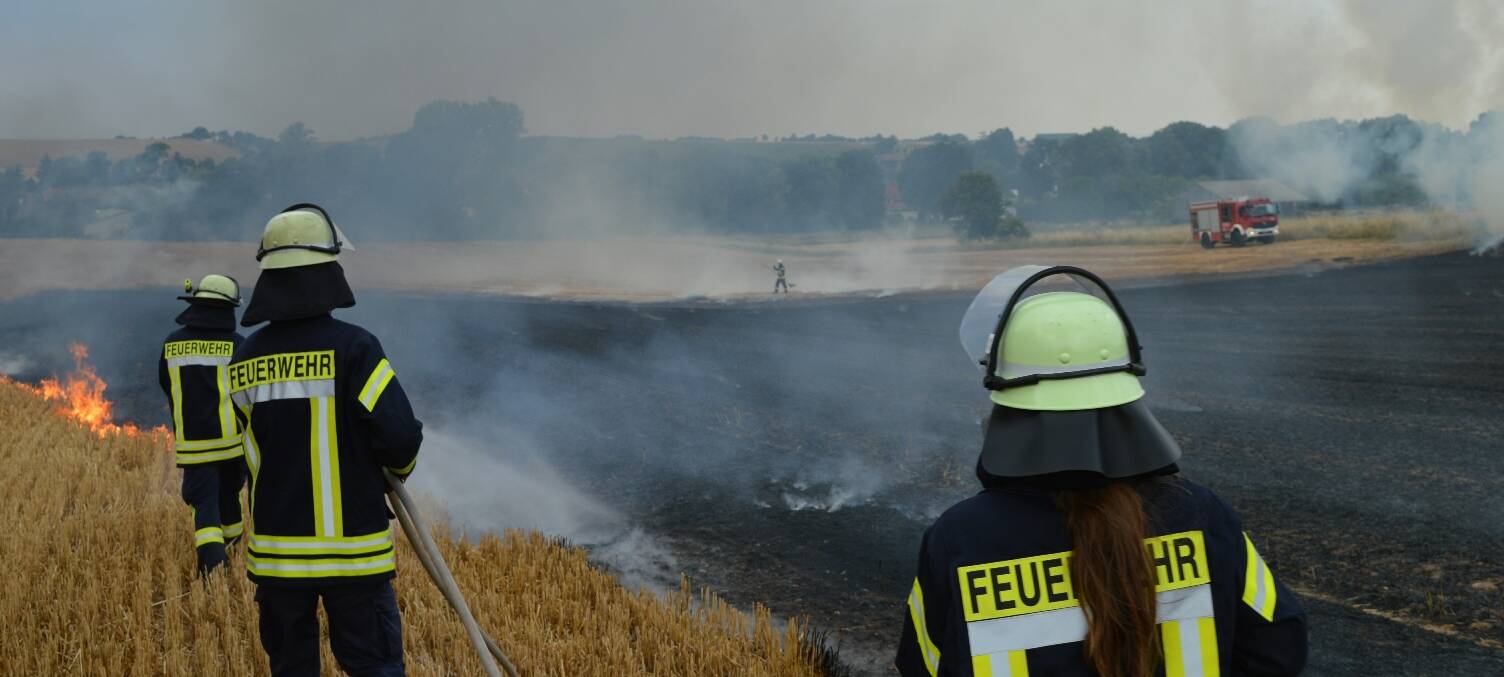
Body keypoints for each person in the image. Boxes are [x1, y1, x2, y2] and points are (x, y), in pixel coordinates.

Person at [896, 265, 1306, 677]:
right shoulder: (1201, 515)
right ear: (1126, 392)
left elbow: (922, 667)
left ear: (1007, 400)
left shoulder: (961, 538)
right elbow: (1278, 649)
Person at [229, 203, 423, 677]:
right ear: (327, 271)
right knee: (375, 668)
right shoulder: (356, 348)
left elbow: (245, 448)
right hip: (354, 555)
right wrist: (391, 474)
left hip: (278, 559)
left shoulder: (244, 360)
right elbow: (400, 436)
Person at [159, 274, 246, 575]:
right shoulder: (238, 345)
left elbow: (166, 384)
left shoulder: (172, 345)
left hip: (195, 446)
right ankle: (229, 547)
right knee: (229, 496)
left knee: (204, 503)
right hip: (233, 444)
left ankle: (212, 565)